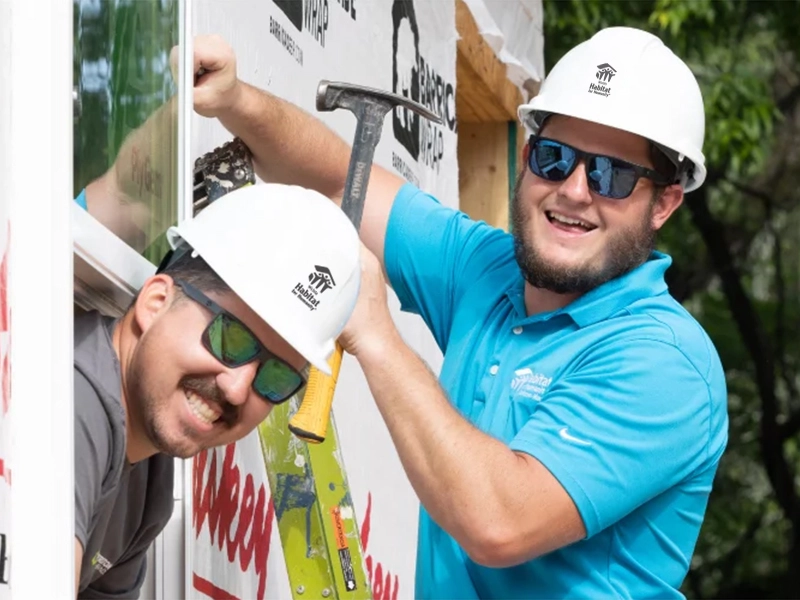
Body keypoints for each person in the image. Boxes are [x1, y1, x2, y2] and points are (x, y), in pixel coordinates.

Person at [197, 25, 730, 599]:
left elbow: (498, 522)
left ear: (664, 204)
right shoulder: (486, 269)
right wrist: (235, 99)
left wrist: (377, 336)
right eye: (555, 159)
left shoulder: (663, 362)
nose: (575, 191)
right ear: (527, 158)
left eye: (612, 175)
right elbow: (338, 182)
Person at [73, 183, 361, 596]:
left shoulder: (149, 478)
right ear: (155, 302)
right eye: (231, 339)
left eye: (275, 377)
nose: (238, 389)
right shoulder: (69, 405)